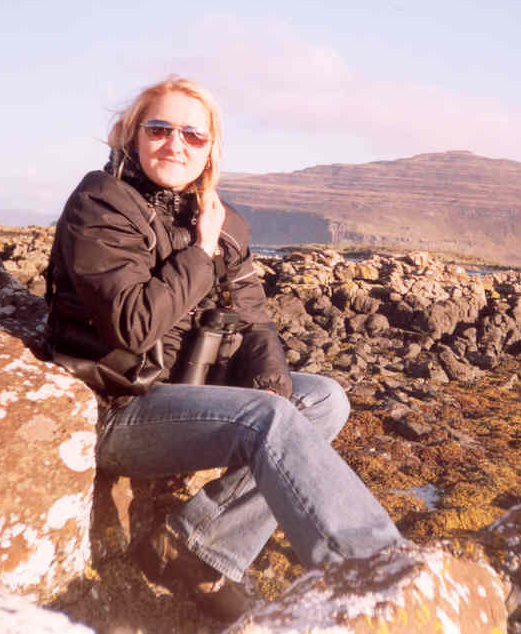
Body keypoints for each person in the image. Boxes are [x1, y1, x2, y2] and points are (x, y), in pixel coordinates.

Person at [45, 76, 404, 621]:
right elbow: (133, 325)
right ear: (131, 134)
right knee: (268, 422)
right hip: (116, 403)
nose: (176, 144)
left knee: (323, 399)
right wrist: (201, 252)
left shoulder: (222, 221)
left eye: (193, 135)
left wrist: (271, 382)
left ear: (211, 148)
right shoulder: (102, 203)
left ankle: (194, 545)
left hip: (186, 392)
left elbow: (256, 321)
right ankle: (377, 576)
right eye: (160, 129)